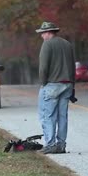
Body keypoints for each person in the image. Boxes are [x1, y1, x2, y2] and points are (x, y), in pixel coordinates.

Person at [36, 22, 75, 154]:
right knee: (62, 116)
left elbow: (43, 67)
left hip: (52, 84)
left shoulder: (47, 44)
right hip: (68, 84)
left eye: (42, 33)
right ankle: (61, 145)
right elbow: (72, 66)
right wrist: (72, 85)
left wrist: (43, 83)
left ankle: (50, 144)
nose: (41, 35)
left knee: (48, 115)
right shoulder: (67, 44)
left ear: (48, 32)